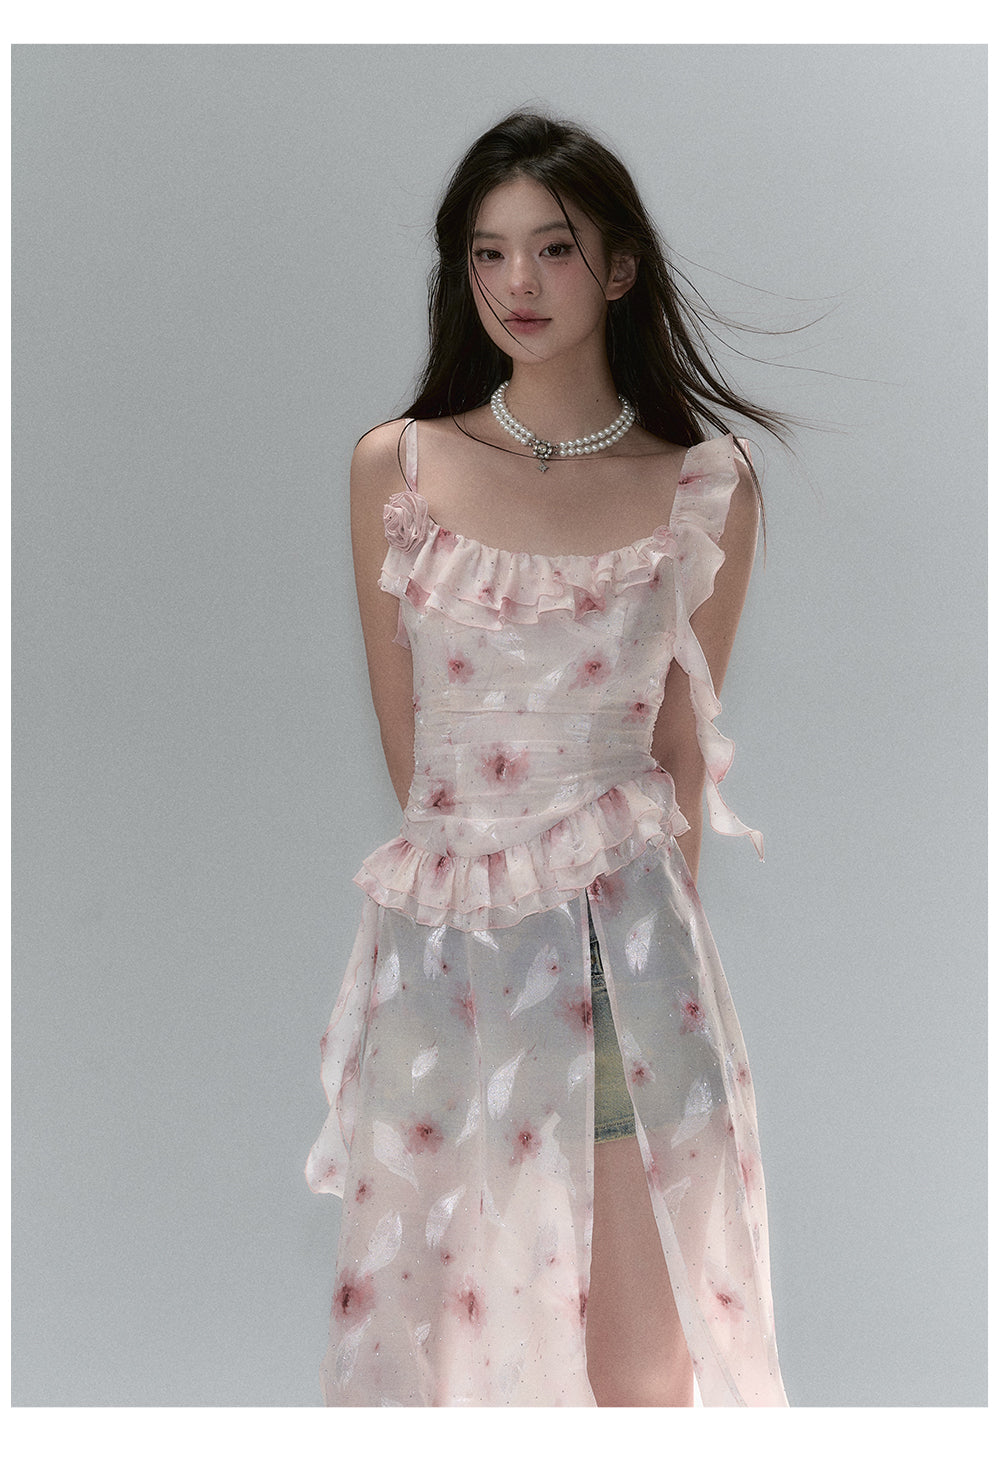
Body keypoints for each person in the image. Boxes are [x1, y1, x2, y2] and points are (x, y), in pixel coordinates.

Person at [306, 110, 790, 1408]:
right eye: (488, 253)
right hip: (449, 946)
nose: (517, 283)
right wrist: (485, 911)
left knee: (642, 1360)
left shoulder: (707, 485)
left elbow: (678, 748)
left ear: (619, 267)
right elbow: (415, 751)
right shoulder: (398, 468)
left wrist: (652, 965)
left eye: (555, 248)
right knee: (440, 1333)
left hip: (630, 953)